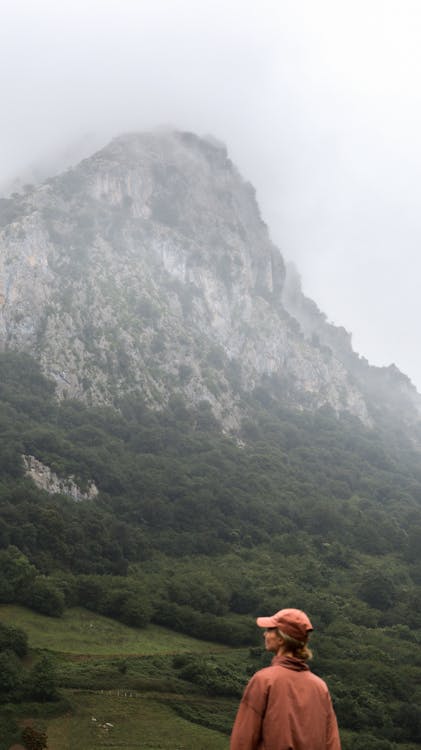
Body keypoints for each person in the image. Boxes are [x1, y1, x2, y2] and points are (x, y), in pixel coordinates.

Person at [230, 608, 341, 750]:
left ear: (281, 639)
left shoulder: (264, 680)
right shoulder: (320, 687)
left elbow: (243, 740)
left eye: (270, 629)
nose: (265, 634)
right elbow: (332, 742)